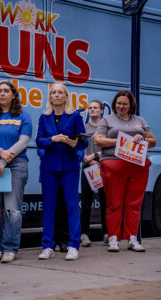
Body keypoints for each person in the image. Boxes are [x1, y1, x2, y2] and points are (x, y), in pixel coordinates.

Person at [94, 90, 156, 252]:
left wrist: (143, 139)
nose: (121, 106)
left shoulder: (140, 121)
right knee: (114, 203)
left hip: (138, 166)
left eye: (125, 104)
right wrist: (120, 141)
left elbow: (153, 141)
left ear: (131, 106)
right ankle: (113, 239)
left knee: (134, 204)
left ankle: (132, 239)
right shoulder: (107, 119)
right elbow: (98, 139)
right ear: (115, 104)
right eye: (119, 103)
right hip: (114, 165)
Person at [0, 81, 32, 263]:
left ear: (13, 95)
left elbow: (23, 141)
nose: (2, 94)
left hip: (16, 165)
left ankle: (10, 248)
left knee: (13, 210)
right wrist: (1, 154)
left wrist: (4, 159)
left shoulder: (23, 116)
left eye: (6, 91)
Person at [36, 82, 87, 260]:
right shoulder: (44, 117)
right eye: (53, 93)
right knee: (49, 208)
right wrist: (53, 138)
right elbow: (39, 141)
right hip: (49, 167)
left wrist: (72, 143)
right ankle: (47, 246)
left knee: (72, 206)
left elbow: (83, 142)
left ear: (66, 96)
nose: (56, 95)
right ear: (50, 97)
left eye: (60, 92)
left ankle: (74, 245)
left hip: (70, 167)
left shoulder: (74, 116)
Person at [80, 100, 108, 247]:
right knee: (86, 202)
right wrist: (89, 161)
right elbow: (79, 149)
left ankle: (106, 233)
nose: (92, 110)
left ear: (101, 110)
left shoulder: (105, 130)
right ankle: (84, 234)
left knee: (105, 201)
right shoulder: (83, 128)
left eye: (95, 108)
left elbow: (108, 149)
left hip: (103, 168)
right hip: (87, 169)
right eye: (90, 108)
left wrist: (96, 157)